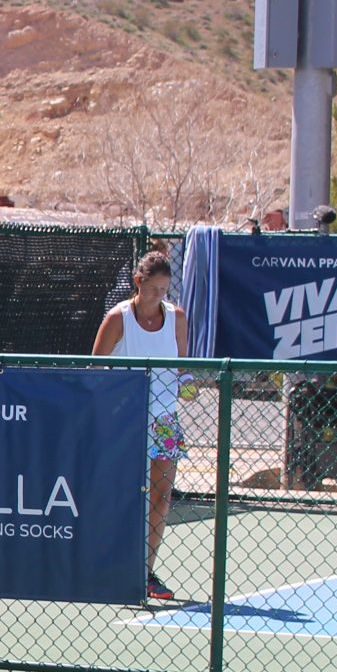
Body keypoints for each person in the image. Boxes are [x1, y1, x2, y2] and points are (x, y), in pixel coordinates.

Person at [92, 246, 188, 601]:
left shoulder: (177, 317)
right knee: (121, 496)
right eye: (152, 288)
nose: (157, 296)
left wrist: (187, 383)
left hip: (164, 419)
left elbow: (182, 366)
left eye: (164, 290)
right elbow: (96, 369)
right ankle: (106, 564)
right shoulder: (118, 319)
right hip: (123, 419)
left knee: (161, 497)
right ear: (138, 282)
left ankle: (144, 572)